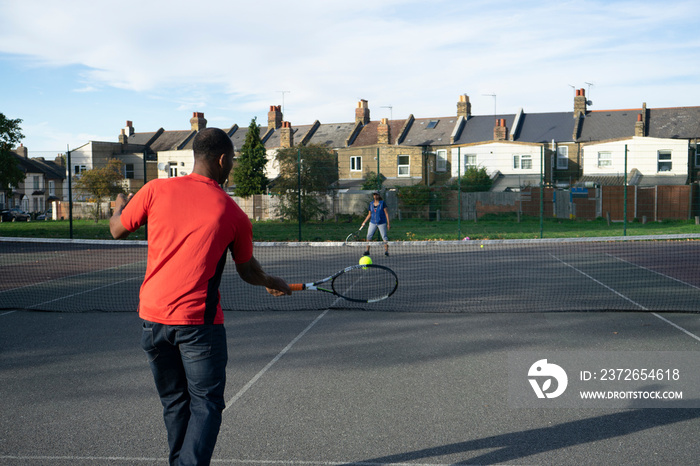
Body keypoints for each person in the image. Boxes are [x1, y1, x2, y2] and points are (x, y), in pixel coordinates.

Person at [109, 127, 291, 466]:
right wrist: (270, 280)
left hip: (152, 321)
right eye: (232, 160)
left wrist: (117, 206)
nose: (232, 165)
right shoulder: (232, 213)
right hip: (198, 326)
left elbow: (117, 228)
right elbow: (248, 270)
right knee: (205, 404)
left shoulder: (154, 189)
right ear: (223, 160)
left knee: (175, 403)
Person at [361, 191, 390, 256]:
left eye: (377, 195)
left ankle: (386, 251)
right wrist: (364, 222)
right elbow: (369, 214)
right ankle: (367, 251)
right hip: (373, 222)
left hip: (382, 222)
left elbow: (386, 213)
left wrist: (388, 223)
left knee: (384, 237)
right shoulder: (371, 204)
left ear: (379, 196)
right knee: (369, 236)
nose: (375, 196)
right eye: (374, 195)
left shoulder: (382, 203)